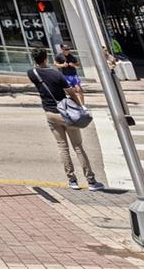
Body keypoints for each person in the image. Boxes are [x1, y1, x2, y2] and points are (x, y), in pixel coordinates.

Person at [28, 47, 103, 191]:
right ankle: (91, 181)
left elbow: (35, 69)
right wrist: (80, 106)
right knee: (78, 147)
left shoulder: (32, 73)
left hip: (50, 113)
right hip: (66, 113)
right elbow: (72, 93)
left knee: (63, 148)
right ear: (46, 58)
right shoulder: (55, 74)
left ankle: (72, 180)